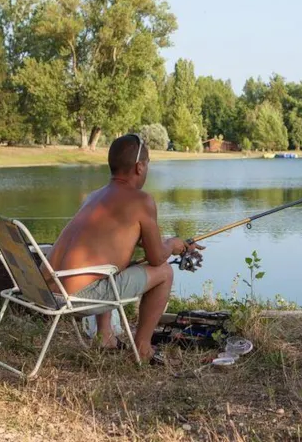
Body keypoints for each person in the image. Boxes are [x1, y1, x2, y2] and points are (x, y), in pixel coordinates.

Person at [46, 133, 203, 363]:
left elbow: (118, 239)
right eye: (147, 164)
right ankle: (142, 349)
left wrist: (168, 241)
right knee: (164, 272)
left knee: (113, 265)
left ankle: (105, 337)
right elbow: (157, 258)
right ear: (139, 167)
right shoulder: (142, 200)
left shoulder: (95, 196)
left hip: (46, 289)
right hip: (76, 297)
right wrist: (172, 244)